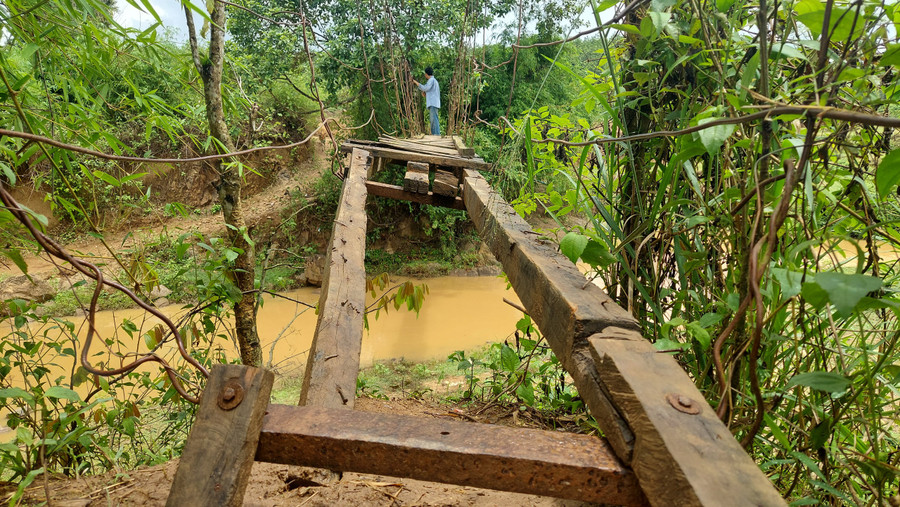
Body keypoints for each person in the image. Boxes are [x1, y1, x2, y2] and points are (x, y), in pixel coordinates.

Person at [412, 67, 441, 136]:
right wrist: (425, 93)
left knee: (434, 120)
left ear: (426, 74)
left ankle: (436, 135)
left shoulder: (431, 80)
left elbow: (425, 88)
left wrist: (416, 83)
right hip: (434, 103)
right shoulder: (434, 81)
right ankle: (435, 135)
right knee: (433, 120)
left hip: (433, 103)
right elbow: (430, 91)